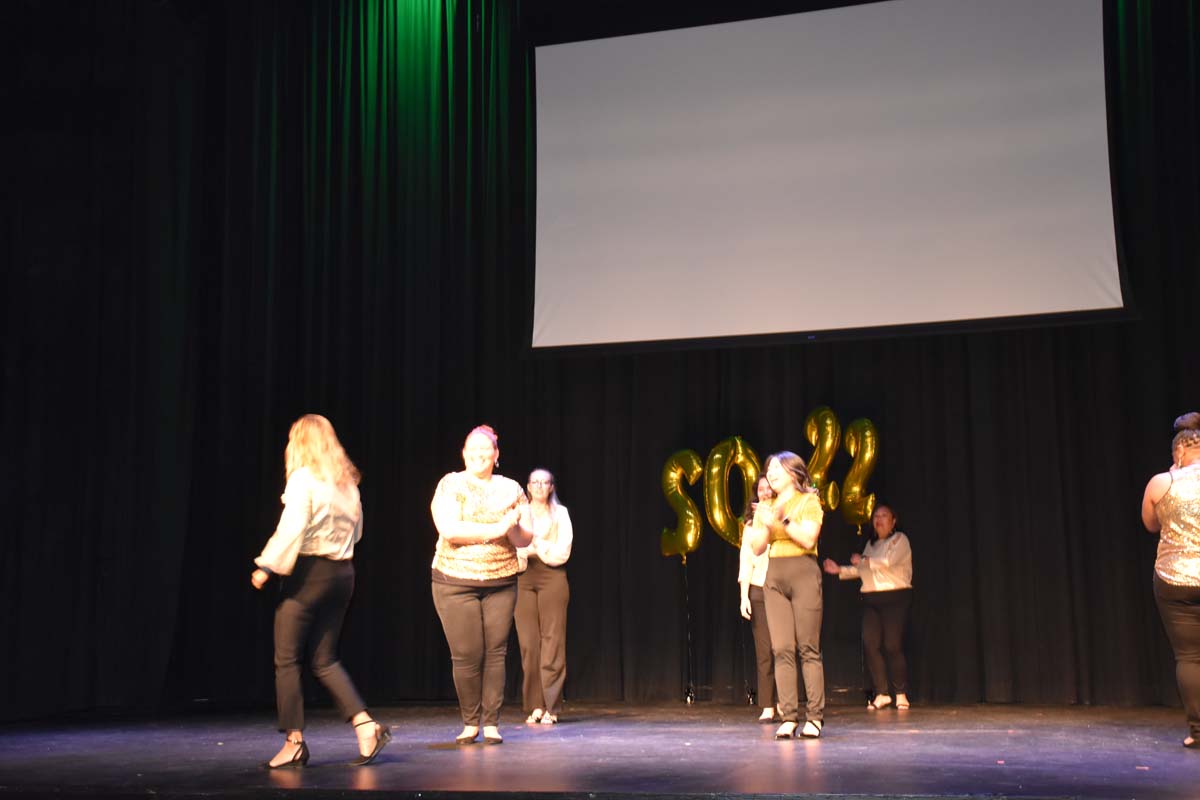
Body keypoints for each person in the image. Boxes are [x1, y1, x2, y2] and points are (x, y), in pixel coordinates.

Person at [250, 414, 390, 768]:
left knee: (287, 659)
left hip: (310, 575)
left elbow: (292, 526)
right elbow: (357, 533)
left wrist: (267, 565)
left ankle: (294, 741)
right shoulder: (348, 484)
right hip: (343, 574)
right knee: (324, 659)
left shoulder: (304, 479)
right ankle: (366, 726)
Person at [430, 424, 533, 745]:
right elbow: (450, 530)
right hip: (454, 579)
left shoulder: (512, 488)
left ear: (496, 455)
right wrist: (499, 526)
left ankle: (491, 723)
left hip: (501, 580)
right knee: (466, 654)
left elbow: (524, 536)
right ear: (463, 453)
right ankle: (470, 721)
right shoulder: (450, 483)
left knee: (495, 653)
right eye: (472, 449)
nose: (479, 454)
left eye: (485, 449)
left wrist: (514, 528)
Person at [745, 452, 827, 739]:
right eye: (769, 469)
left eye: (777, 467)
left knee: (807, 647)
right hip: (774, 575)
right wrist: (766, 521)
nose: (772, 472)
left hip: (803, 571)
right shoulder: (765, 506)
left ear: (794, 472)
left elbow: (808, 539)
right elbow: (756, 547)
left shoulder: (809, 500)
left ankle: (814, 716)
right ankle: (789, 716)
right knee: (781, 649)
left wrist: (784, 518)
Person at [1141, 411, 1200, 750]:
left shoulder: (1161, 482)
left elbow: (1150, 524)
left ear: (1178, 452)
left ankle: (1198, 732)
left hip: (1174, 579)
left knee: (1190, 657)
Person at [823, 504, 913, 711]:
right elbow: (862, 570)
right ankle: (882, 693)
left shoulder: (900, 540)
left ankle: (900, 693)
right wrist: (840, 570)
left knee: (892, 645)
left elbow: (888, 562)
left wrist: (864, 560)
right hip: (872, 599)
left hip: (895, 597)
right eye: (876, 516)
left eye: (884, 516)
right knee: (870, 644)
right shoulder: (870, 545)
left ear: (893, 521)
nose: (879, 519)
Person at [515, 468, 574, 725]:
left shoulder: (560, 514)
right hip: (523, 577)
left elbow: (562, 552)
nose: (539, 486)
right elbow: (514, 547)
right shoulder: (519, 513)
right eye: (535, 482)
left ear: (551, 487)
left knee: (553, 641)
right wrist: (529, 546)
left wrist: (537, 543)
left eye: (545, 482)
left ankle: (552, 705)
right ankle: (535, 705)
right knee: (529, 644)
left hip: (552, 576)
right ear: (528, 486)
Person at [738, 475, 779, 722]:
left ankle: (787, 703)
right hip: (759, 590)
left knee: (784, 649)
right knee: (764, 651)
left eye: (768, 488)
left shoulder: (784, 521)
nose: (764, 492)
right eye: (760, 489)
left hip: (783, 590)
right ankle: (767, 705)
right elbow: (746, 561)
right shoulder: (751, 526)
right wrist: (744, 597)